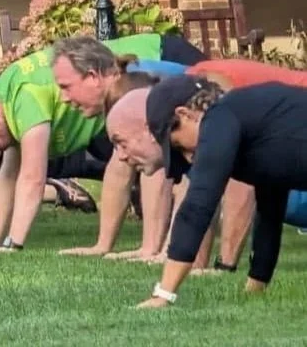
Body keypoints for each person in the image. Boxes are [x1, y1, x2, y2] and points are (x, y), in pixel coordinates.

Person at [0, 33, 194, 256]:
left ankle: (160, 251)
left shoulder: (25, 98)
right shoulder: (5, 91)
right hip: (127, 74)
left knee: (155, 154)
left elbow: (32, 178)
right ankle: (112, 247)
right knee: (122, 159)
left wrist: (12, 244)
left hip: (160, 55)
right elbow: (8, 176)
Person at [106, 77, 307, 308]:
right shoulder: (251, 121)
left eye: (177, 144)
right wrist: (256, 285)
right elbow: (270, 204)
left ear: (186, 115)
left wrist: (164, 294)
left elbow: (198, 205)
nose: (187, 155)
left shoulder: (220, 117)